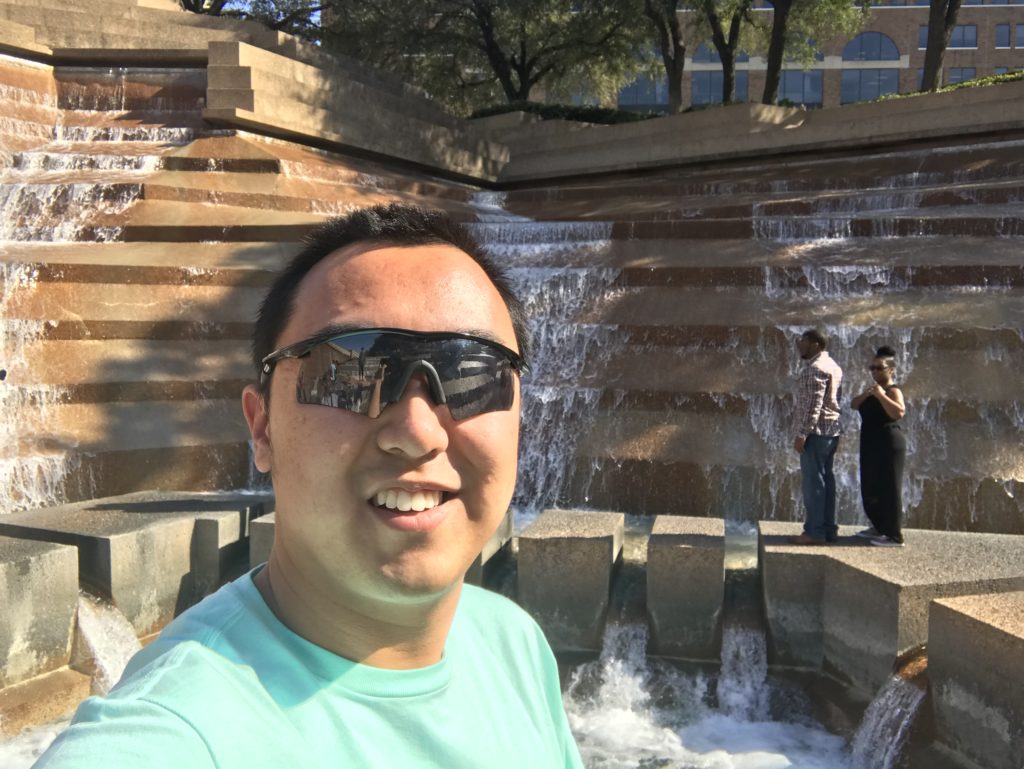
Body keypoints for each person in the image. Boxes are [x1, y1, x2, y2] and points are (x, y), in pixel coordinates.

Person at [34, 204, 584, 769]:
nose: (418, 432)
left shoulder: (513, 645)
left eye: (474, 372)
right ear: (262, 426)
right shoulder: (178, 733)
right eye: (348, 370)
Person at [789, 329, 844, 545]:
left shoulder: (815, 369)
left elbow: (814, 406)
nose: (798, 345)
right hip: (831, 432)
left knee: (814, 484)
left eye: (802, 341)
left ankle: (814, 532)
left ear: (815, 344)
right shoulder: (834, 366)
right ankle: (829, 529)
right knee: (826, 481)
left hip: (816, 433)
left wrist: (802, 433)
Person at [850, 345, 907, 548]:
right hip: (871, 444)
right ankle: (879, 526)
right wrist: (868, 394)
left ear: (890, 370)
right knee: (871, 485)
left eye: (879, 368)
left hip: (889, 444)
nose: (874, 371)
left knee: (889, 488)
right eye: (872, 368)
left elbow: (899, 412)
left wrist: (881, 395)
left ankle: (894, 536)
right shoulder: (871, 391)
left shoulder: (893, 390)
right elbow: (853, 404)